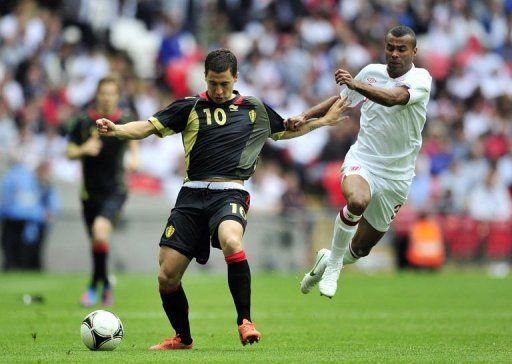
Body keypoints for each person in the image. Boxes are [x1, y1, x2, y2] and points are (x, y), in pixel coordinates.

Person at [96, 49, 348, 350]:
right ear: (205, 77)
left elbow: (286, 130)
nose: (218, 90)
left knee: (231, 239)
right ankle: (183, 338)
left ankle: (245, 321)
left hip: (230, 191)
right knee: (167, 276)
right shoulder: (188, 107)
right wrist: (118, 129)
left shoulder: (254, 108)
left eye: (224, 84)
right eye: (213, 83)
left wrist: (323, 121)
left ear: (236, 79)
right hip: (191, 195)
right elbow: (149, 126)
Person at [300, 25, 432, 298]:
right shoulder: (372, 73)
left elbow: (395, 98)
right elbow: (342, 101)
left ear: (414, 51)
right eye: (390, 48)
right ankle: (334, 266)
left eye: (401, 49)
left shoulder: (421, 78)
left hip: (397, 176)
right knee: (357, 201)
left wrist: (354, 83)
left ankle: (327, 261)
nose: (394, 54)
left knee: (360, 249)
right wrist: (305, 116)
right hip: (364, 160)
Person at [66, 76, 138, 307]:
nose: (107, 97)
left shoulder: (123, 120)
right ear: (97, 94)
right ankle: (104, 283)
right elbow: (69, 152)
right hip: (89, 192)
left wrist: (135, 158)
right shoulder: (83, 121)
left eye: (111, 93)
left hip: (115, 190)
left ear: (117, 96)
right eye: (103, 92)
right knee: (96, 242)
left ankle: (94, 287)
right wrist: (84, 149)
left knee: (100, 232)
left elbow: (134, 140)